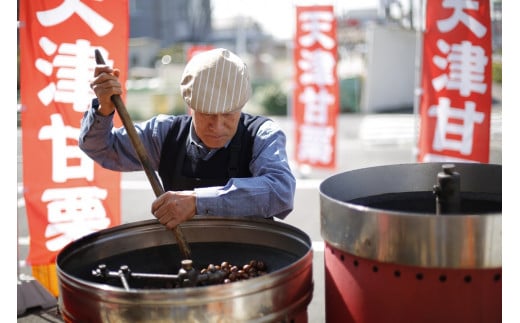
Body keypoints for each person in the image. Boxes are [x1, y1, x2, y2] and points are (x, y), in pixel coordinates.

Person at [79, 48, 296, 230]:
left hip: (253, 258)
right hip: (184, 260)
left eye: (229, 114)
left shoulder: (262, 134)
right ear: (190, 106)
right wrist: (104, 110)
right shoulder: (164, 134)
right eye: (206, 114)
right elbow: (102, 148)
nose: (218, 126)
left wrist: (197, 202)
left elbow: (281, 191)